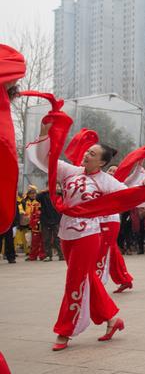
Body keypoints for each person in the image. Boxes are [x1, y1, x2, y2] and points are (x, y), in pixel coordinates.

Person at [26, 124, 129, 350]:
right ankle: (112, 319)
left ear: (101, 162)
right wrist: (45, 134)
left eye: (92, 154)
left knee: (74, 280)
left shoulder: (106, 181)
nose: (86, 154)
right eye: (87, 151)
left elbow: (130, 195)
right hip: (67, 232)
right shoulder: (70, 171)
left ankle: (65, 331)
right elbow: (47, 160)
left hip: (89, 234)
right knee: (87, 278)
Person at [96, 166, 135, 294]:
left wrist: (138, 166)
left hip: (110, 220)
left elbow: (133, 180)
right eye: (110, 170)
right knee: (112, 250)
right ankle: (124, 279)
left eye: (115, 171)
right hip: (99, 220)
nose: (112, 172)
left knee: (105, 249)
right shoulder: (99, 182)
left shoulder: (118, 185)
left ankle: (99, 280)